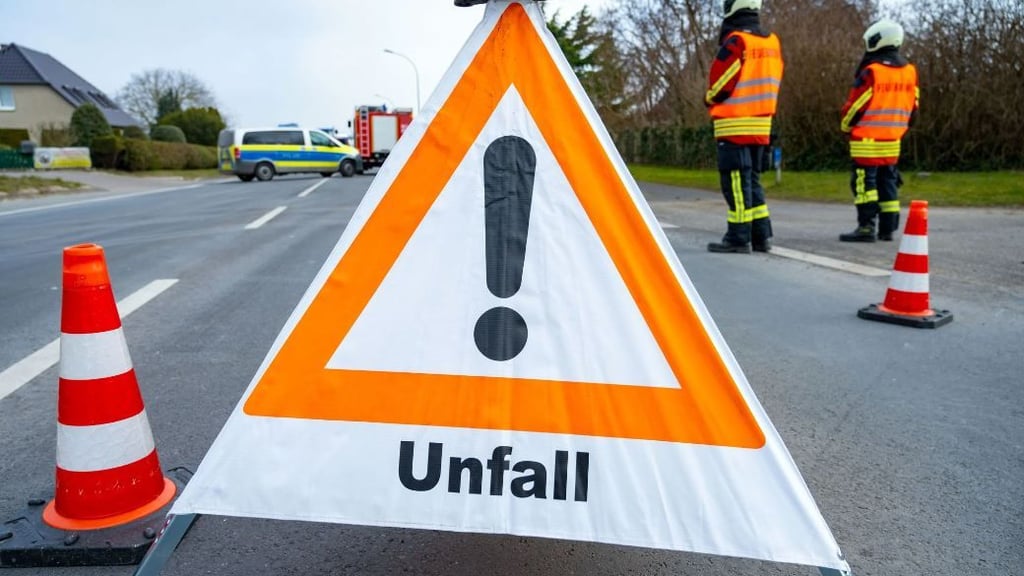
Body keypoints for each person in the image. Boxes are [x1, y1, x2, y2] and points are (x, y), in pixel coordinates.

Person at [705, 0, 784, 254]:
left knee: (736, 183)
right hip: (761, 125)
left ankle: (738, 237)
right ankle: (761, 236)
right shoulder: (772, 42)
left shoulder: (737, 41)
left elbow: (721, 83)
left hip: (735, 125)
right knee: (752, 180)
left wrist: (709, 98)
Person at [839, 19, 919, 242]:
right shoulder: (910, 72)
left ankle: (866, 227)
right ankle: (887, 229)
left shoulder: (872, 72)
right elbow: (914, 108)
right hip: (893, 141)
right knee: (888, 182)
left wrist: (845, 127)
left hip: (866, 140)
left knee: (865, 184)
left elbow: (855, 105)